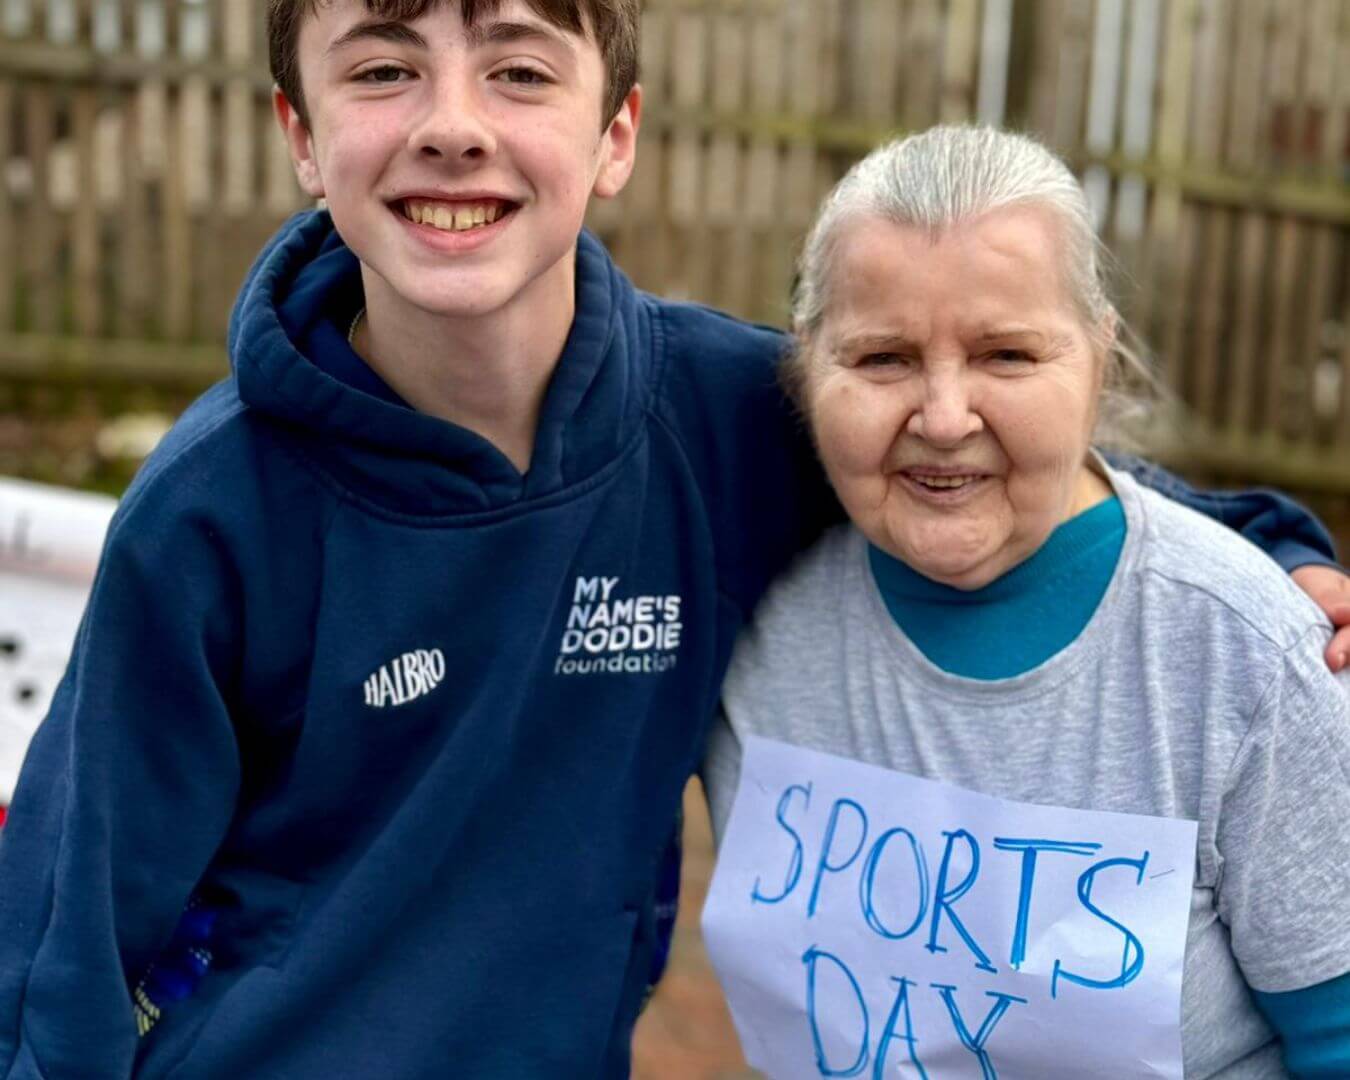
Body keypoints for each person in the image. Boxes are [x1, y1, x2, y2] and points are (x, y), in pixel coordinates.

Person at [0, 4, 1342, 1074]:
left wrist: (1271, 552)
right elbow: (55, 940)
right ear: (299, 131)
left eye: (519, 69)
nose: (453, 125)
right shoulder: (208, 510)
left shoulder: (710, 418)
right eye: (384, 68)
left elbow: (987, 456)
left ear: (615, 132)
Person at [702, 126, 1350, 1079]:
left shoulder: (1247, 654)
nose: (945, 416)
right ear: (806, 369)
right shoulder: (745, 596)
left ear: (1097, 358)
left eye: (1007, 355)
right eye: (882, 359)